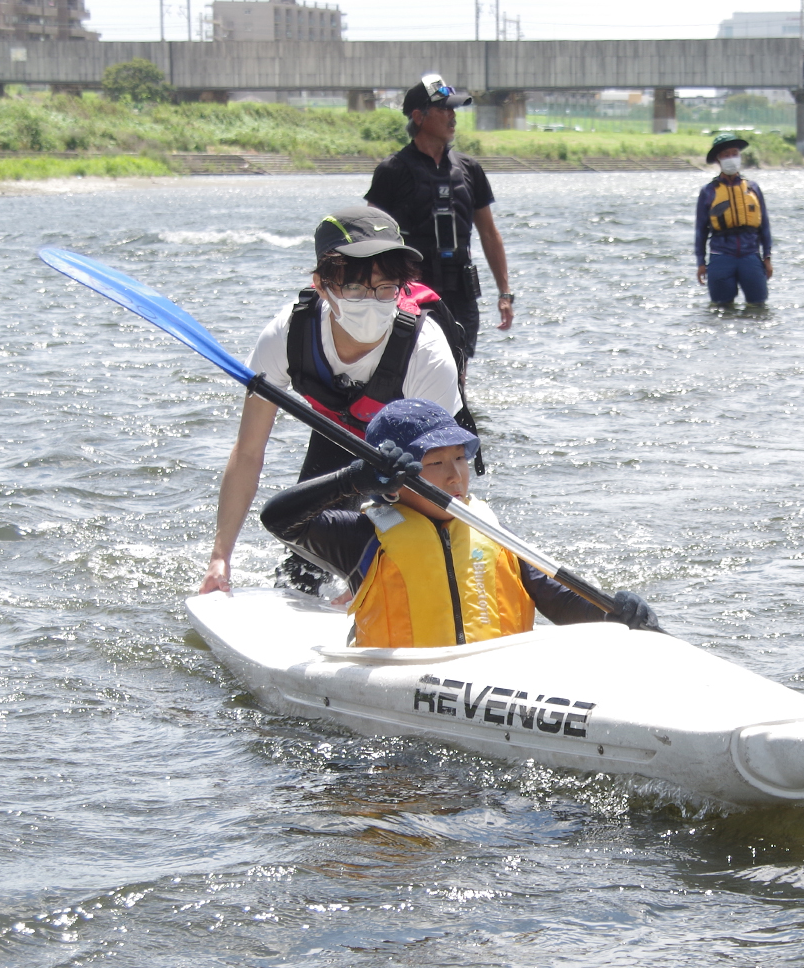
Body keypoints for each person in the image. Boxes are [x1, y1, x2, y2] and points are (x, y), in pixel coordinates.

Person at [198, 206, 478, 596]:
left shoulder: (426, 351)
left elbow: (439, 477)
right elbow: (248, 451)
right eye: (355, 288)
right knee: (299, 573)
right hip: (339, 437)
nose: (373, 301)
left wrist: (368, 574)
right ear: (321, 285)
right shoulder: (287, 335)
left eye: (386, 288)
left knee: (387, 571)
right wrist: (220, 557)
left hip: (417, 462)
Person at [260, 398, 661, 647]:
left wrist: (612, 613)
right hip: (400, 682)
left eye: (460, 459)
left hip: (492, 680)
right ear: (393, 481)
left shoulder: (492, 533)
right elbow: (279, 519)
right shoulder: (363, 538)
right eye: (434, 463)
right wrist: (352, 479)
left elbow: (560, 602)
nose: (455, 476)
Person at [365, 73, 514, 359]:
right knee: (412, 369)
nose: (452, 117)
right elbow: (372, 235)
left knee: (457, 375)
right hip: (412, 290)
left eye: (453, 110)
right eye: (444, 109)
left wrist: (504, 293)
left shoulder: (470, 169)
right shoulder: (392, 171)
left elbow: (489, 234)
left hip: (461, 292)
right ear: (419, 117)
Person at [694, 132, 774, 306]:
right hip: (721, 256)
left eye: (734, 154)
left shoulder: (753, 188)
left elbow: (764, 226)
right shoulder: (708, 192)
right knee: (721, 307)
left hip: (750, 255)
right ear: (718, 160)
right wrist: (701, 262)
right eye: (726, 155)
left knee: (758, 306)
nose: (731, 158)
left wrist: (767, 257)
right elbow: (700, 230)